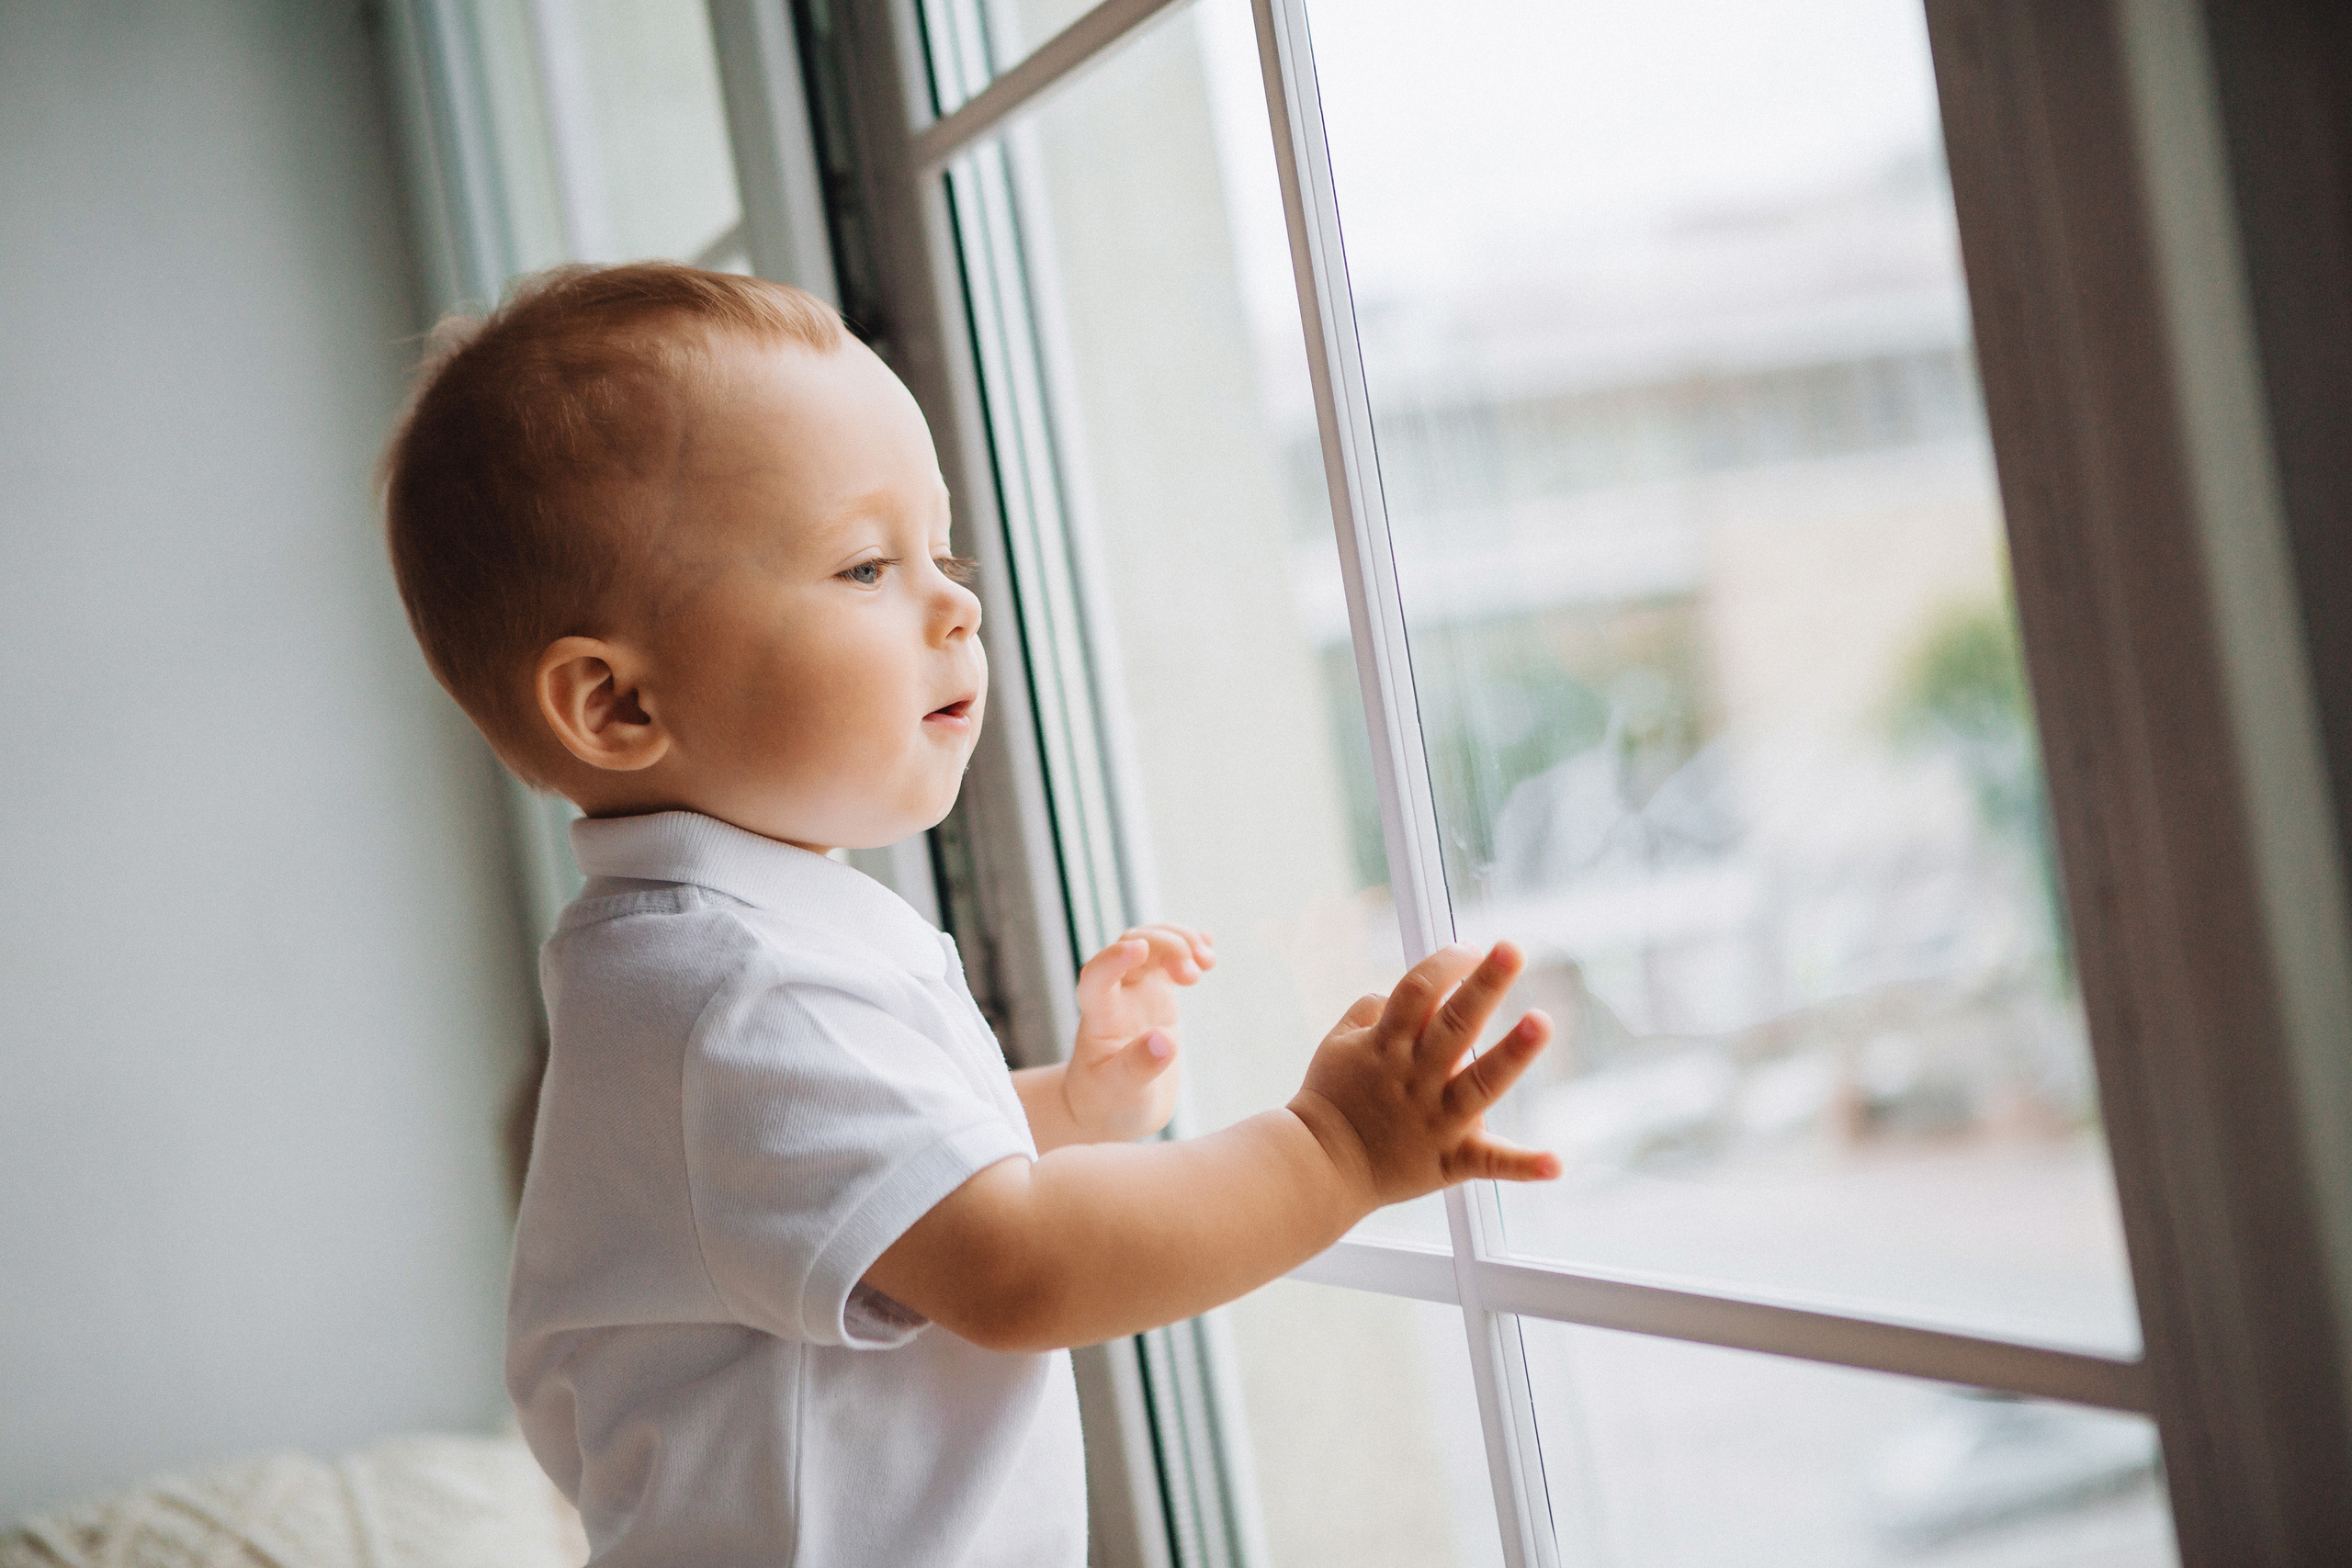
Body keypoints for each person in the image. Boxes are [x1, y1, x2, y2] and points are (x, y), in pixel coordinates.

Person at [379, 261, 1560, 1567]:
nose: (960, 602)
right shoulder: (735, 991)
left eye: (942, 552)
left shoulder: (713, 953)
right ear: (617, 705)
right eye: (866, 565)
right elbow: (1014, 1268)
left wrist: (1066, 1109)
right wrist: (1334, 1151)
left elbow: (878, 1194)